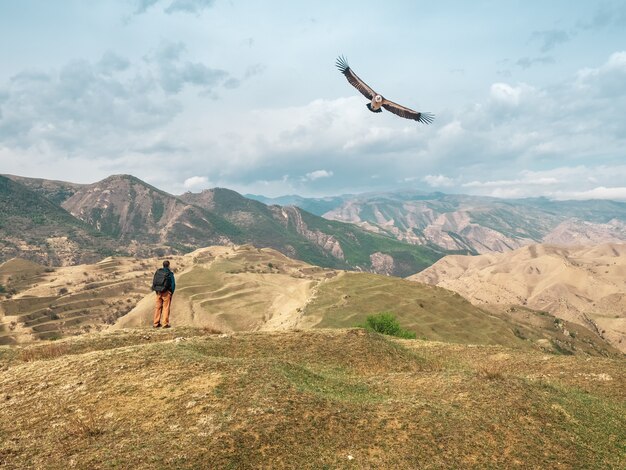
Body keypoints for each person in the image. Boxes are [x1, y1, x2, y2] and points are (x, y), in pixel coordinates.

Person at [151, 260, 176, 328]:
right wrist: (171, 292)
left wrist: (156, 290)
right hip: (166, 293)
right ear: (168, 265)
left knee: (158, 308)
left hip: (158, 292)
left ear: (163, 265)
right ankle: (165, 324)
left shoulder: (158, 272)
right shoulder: (169, 273)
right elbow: (173, 284)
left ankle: (156, 323)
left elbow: (154, 281)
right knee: (166, 308)